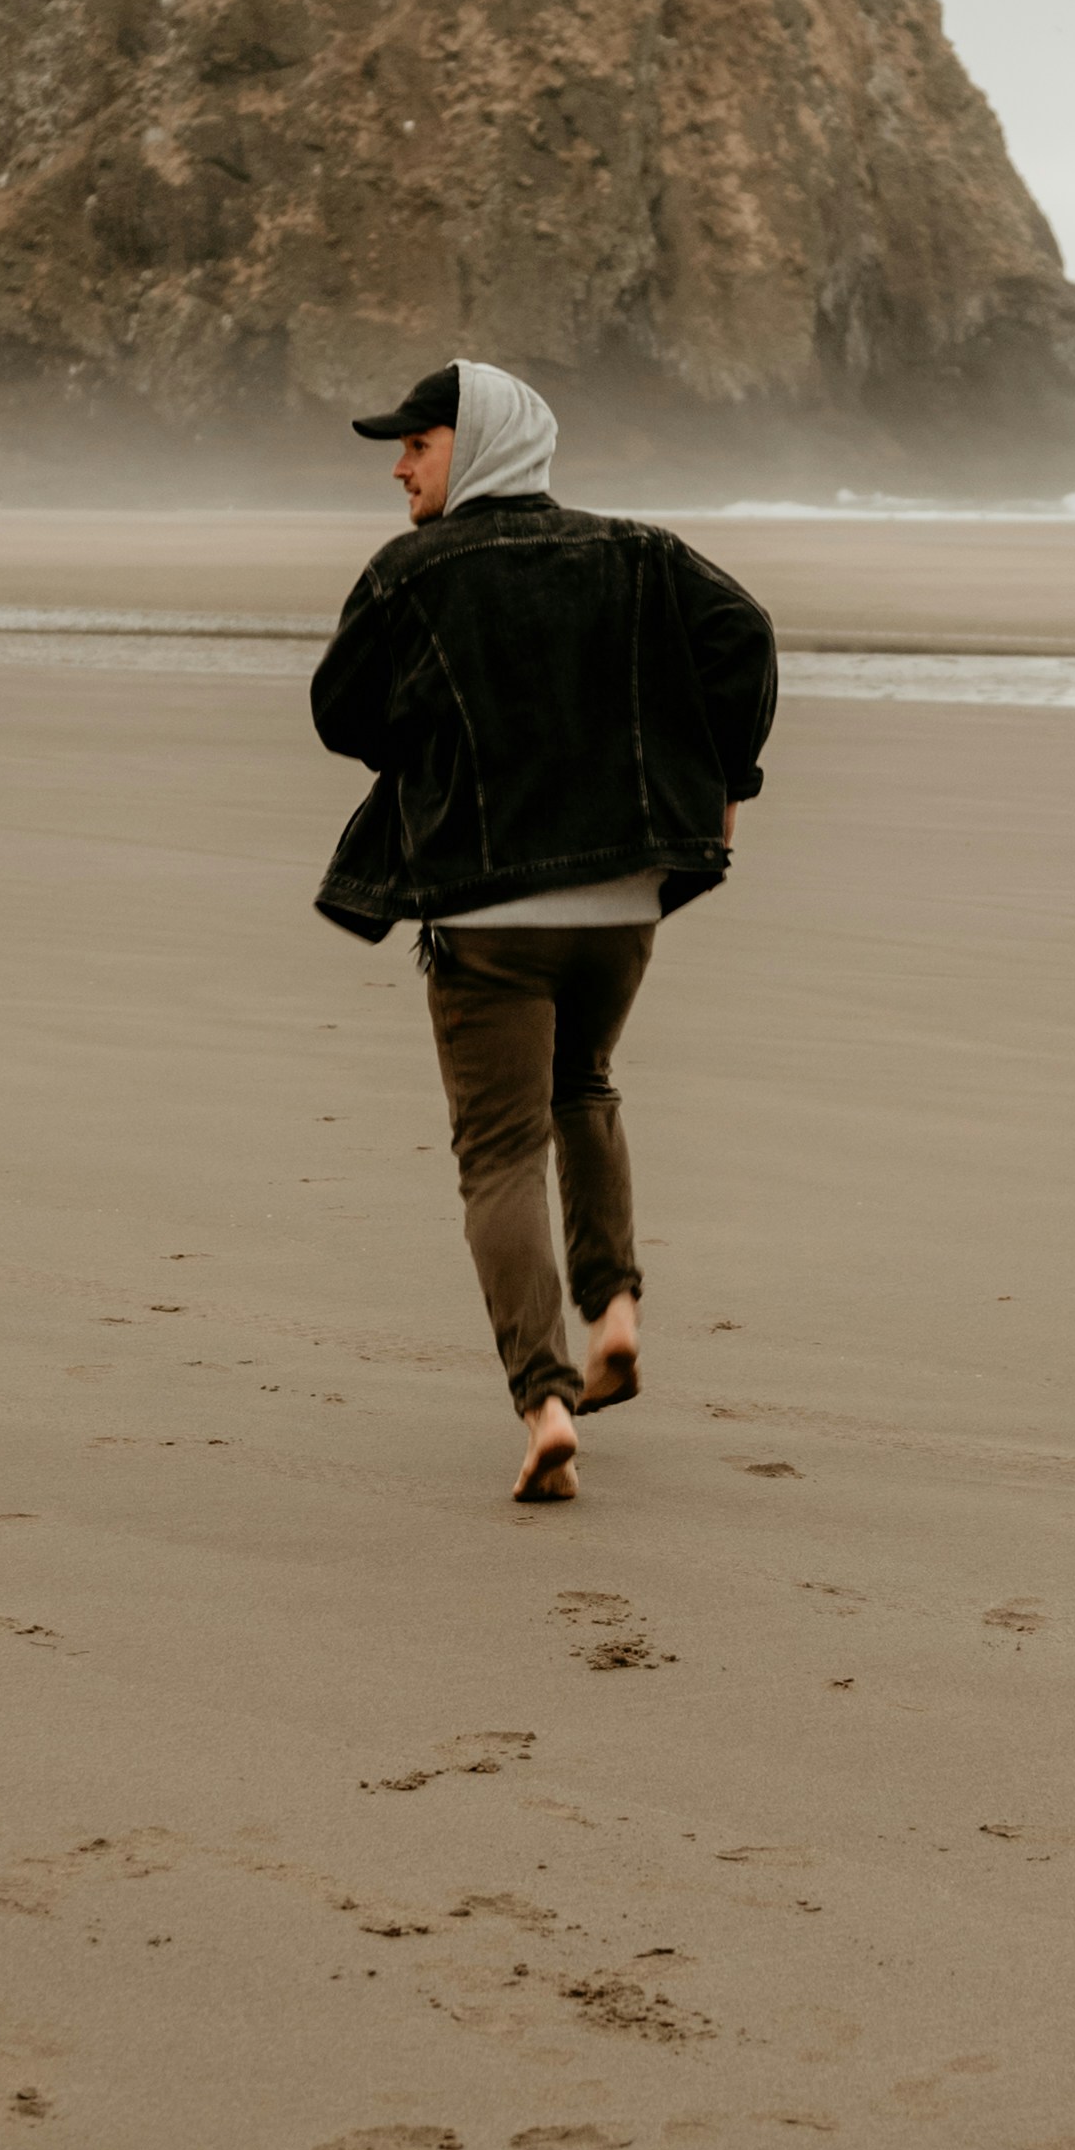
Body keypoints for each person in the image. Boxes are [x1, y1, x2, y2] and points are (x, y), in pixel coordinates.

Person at [310, 357, 780, 1505]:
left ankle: (544, 1400)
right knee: (586, 1087)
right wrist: (726, 778)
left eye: (415, 444)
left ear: (470, 448)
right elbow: (745, 637)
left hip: (487, 912)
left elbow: (338, 713)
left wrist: (433, 745)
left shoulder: (410, 573)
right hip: (621, 902)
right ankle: (613, 1309)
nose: (397, 464)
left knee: (499, 1150)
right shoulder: (642, 554)